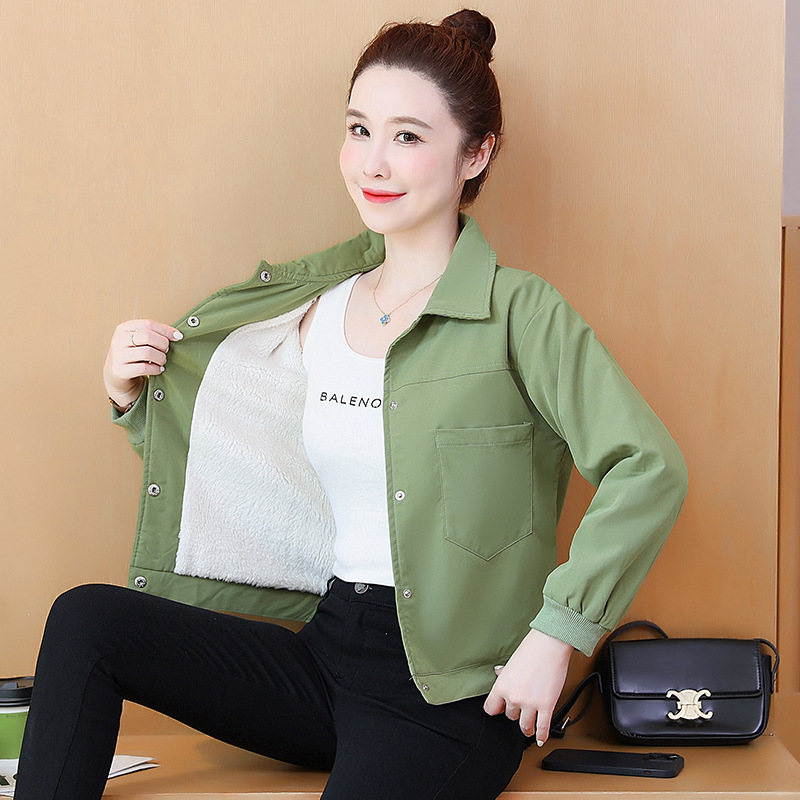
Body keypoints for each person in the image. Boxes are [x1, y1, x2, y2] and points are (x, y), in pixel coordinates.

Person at [15, 9, 687, 800]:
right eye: (360, 129)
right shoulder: (318, 309)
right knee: (87, 622)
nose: (374, 162)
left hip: (455, 696)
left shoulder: (519, 313)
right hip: (329, 653)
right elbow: (247, 466)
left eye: (408, 137)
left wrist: (556, 635)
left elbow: (649, 468)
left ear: (476, 153)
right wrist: (134, 396)